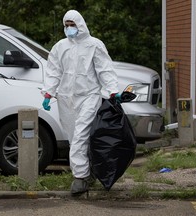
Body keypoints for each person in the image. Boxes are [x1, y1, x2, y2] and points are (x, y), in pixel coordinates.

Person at [41, 9, 121, 195]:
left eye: (73, 25)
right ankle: (91, 170)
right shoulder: (60, 47)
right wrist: (48, 93)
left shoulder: (94, 45)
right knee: (74, 138)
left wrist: (112, 90)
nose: (69, 28)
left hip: (89, 96)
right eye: (66, 25)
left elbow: (105, 69)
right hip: (66, 99)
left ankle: (80, 178)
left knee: (80, 136)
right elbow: (53, 71)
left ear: (81, 25)